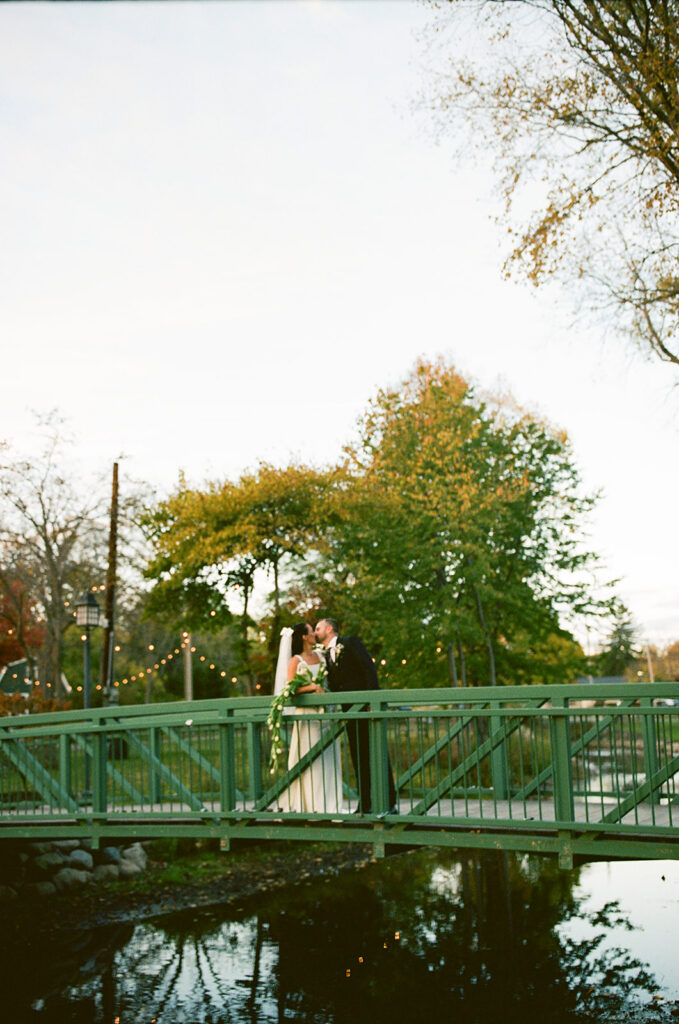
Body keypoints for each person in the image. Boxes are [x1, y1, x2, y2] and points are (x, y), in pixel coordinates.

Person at [315, 617, 397, 815]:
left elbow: (369, 669)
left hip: (367, 709)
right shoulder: (325, 656)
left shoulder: (351, 643)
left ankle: (389, 803)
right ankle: (366, 803)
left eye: (318, 628)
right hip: (350, 713)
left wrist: (372, 702)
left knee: (377, 753)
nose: (316, 632)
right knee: (358, 757)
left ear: (329, 628)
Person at [273, 622, 343, 814]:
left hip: (326, 715)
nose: (315, 634)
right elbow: (289, 689)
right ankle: (310, 807)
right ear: (304, 636)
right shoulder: (296, 661)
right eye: (312, 631)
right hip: (308, 717)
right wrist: (312, 688)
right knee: (310, 761)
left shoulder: (321, 656)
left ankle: (330, 806)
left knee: (329, 760)